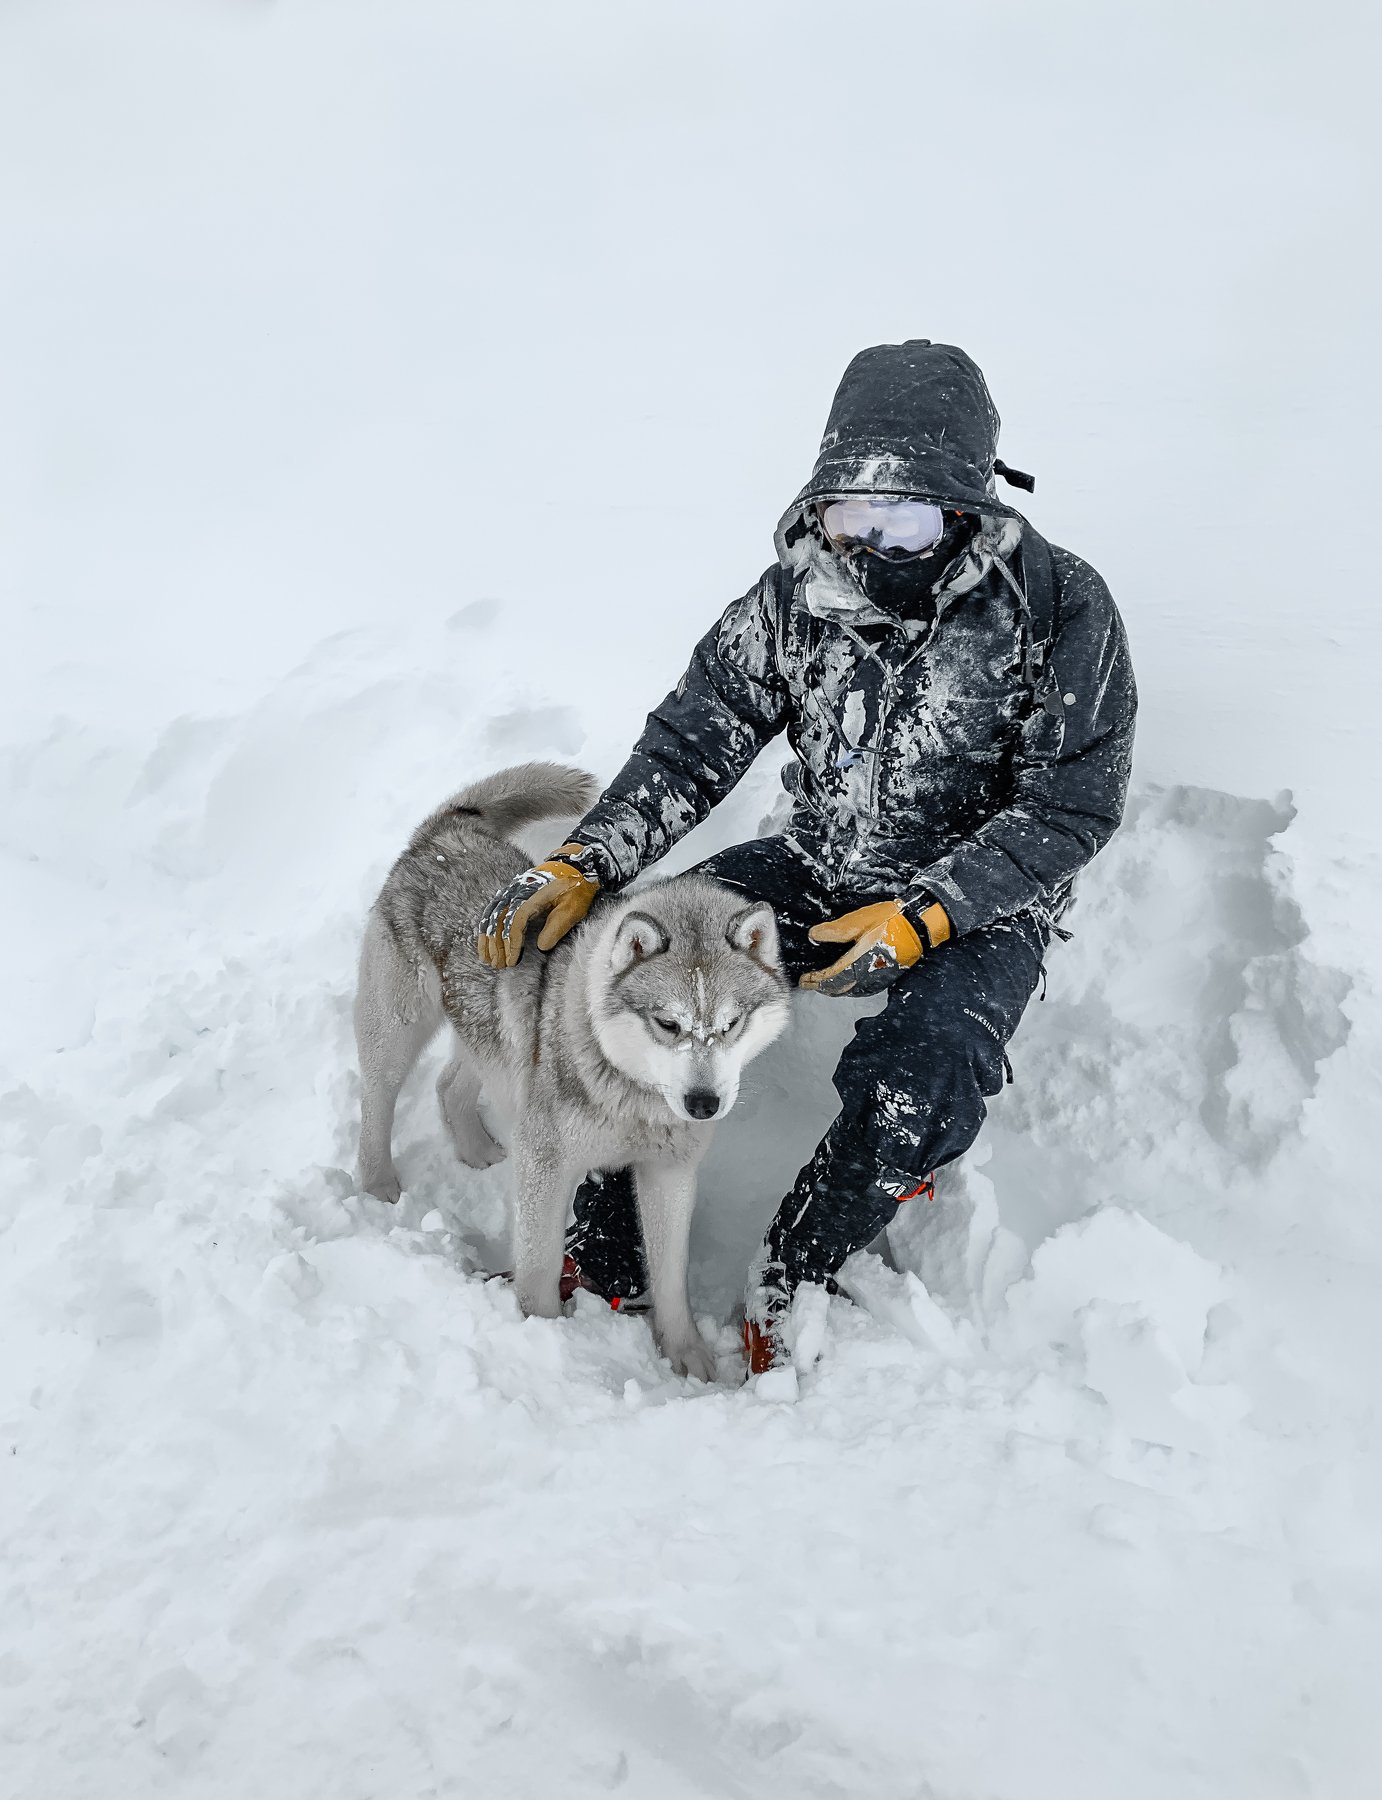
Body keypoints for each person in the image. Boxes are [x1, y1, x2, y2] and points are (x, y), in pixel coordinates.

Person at [477, 339, 1137, 1371]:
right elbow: (696, 738)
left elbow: (1070, 805)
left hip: (979, 901)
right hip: (820, 860)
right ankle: (599, 1257)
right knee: (640, 968)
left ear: (965, 505)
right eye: (847, 515)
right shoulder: (794, 597)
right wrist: (586, 863)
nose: (868, 543)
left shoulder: (1057, 608)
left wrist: (925, 915)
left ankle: (796, 1273)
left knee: (926, 1066)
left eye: (902, 517)